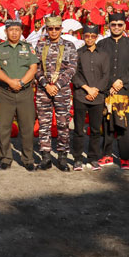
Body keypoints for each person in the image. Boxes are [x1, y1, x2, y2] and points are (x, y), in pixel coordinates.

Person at [0, 20, 38, 171]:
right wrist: (10, 82)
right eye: (11, 30)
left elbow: (33, 68)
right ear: (6, 32)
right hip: (5, 92)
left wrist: (22, 82)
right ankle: (5, 158)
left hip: (25, 92)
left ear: (21, 31)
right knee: (4, 127)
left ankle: (28, 159)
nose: (14, 33)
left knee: (27, 127)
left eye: (17, 30)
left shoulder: (28, 47)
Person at [34, 15, 77, 171]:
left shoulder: (69, 45)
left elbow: (71, 68)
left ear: (61, 29)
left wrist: (57, 85)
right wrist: (46, 85)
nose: (53, 31)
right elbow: (36, 68)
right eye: (50, 29)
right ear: (46, 29)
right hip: (43, 89)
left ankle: (62, 156)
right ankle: (45, 157)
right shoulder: (40, 46)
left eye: (56, 28)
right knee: (44, 124)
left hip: (62, 90)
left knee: (63, 124)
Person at [97, 12, 129, 170]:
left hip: (125, 91)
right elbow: (99, 69)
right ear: (109, 26)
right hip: (107, 91)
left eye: (120, 25)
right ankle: (106, 155)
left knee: (124, 125)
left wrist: (122, 82)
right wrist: (110, 84)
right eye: (113, 25)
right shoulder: (102, 44)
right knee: (107, 124)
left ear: (124, 26)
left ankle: (125, 157)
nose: (116, 27)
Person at [71, 24, 110, 171]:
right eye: (87, 36)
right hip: (81, 95)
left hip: (98, 96)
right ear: (83, 36)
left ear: (97, 37)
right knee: (79, 129)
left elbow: (106, 75)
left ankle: (93, 158)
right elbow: (73, 74)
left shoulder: (104, 54)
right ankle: (77, 158)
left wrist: (96, 89)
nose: (90, 39)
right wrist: (87, 88)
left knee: (95, 129)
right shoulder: (78, 53)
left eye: (93, 36)